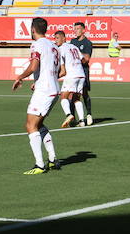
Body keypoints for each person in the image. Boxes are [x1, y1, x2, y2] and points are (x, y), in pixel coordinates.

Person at [12, 17, 60, 175]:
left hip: (44, 90)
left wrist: (20, 77)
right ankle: (52, 159)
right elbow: (58, 70)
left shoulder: (37, 44)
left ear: (33, 29)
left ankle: (40, 165)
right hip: (53, 89)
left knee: (30, 126)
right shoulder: (54, 46)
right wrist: (38, 81)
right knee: (38, 125)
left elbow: (33, 66)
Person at [54, 30, 87, 128]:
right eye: (55, 38)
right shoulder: (74, 47)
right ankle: (82, 121)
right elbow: (83, 60)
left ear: (64, 38)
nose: (56, 41)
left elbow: (63, 71)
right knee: (76, 98)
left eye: (57, 38)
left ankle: (69, 115)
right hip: (81, 75)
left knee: (63, 97)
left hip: (72, 75)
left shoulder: (60, 50)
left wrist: (54, 77)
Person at [68, 21, 94, 125]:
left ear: (83, 30)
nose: (76, 31)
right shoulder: (72, 41)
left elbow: (86, 59)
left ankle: (89, 114)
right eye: (74, 29)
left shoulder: (87, 43)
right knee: (71, 94)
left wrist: (77, 54)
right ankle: (73, 118)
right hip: (73, 71)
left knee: (83, 93)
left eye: (78, 29)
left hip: (83, 71)